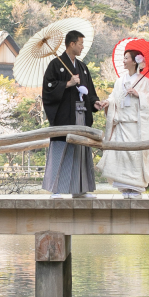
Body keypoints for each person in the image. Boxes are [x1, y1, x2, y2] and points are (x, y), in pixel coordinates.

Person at [42, 30, 106, 197]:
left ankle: (80, 189)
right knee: (62, 149)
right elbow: (48, 90)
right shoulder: (55, 65)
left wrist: (94, 102)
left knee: (81, 150)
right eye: (80, 44)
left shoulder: (83, 68)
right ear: (71, 44)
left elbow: (90, 91)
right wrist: (67, 83)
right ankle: (56, 189)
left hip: (81, 115)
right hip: (63, 116)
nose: (82, 47)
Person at [97, 47, 149, 197]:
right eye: (123, 58)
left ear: (135, 61)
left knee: (135, 156)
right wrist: (107, 102)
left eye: (126, 58)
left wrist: (139, 94)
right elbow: (114, 97)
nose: (124, 61)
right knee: (121, 155)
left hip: (136, 126)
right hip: (122, 124)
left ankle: (135, 187)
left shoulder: (145, 82)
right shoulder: (119, 81)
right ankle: (124, 187)